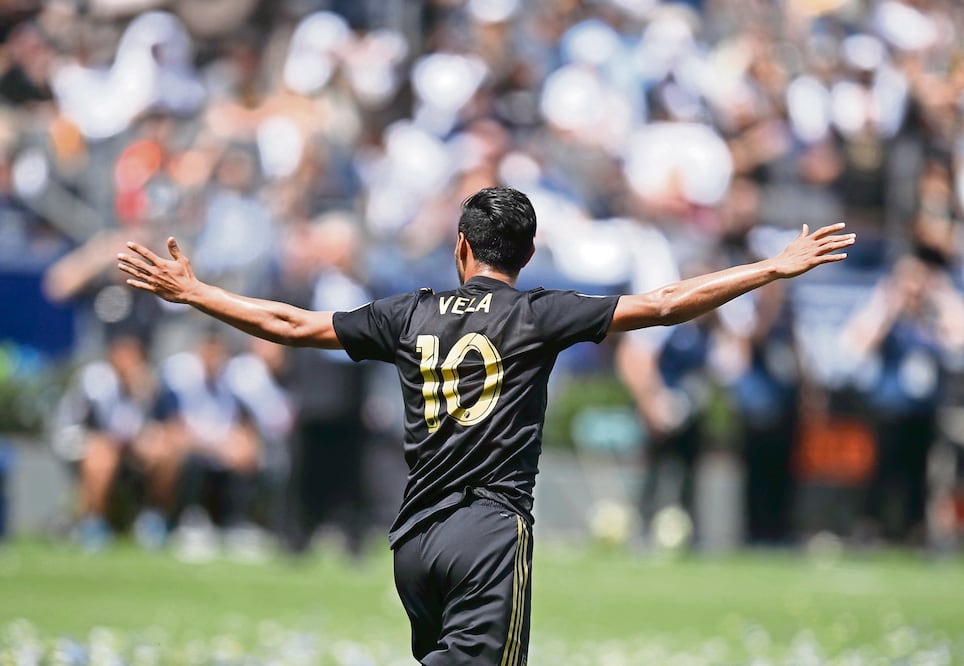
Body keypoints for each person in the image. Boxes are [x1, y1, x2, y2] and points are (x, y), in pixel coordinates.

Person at [117, 186, 854, 665]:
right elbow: (663, 304)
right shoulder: (538, 315)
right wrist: (771, 267)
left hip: (413, 541)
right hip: (488, 535)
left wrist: (194, 290)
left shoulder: (408, 312)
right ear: (527, 256)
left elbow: (289, 322)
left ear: (462, 249)